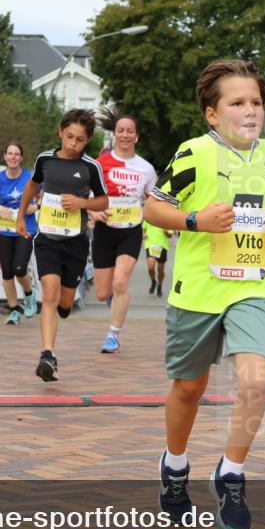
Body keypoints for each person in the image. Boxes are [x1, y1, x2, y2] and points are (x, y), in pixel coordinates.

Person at [143, 59, 265, 529]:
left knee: (257, 378)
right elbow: (153, 206)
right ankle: (175, 466)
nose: (250, 111)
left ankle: (231, 473)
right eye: (237, 103)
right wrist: (194, 221)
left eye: (256, 103)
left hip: (251, 286)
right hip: (198, 289)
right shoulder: (193, 153)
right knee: (190, 387)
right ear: (212, 114)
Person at [17, 110, 108, 381]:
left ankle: (64, 308)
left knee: (64, 302)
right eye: (69, 137)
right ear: (60, 132)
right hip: (47, 238)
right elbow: (31, 187)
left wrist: (82, 203)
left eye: (80, 140)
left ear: (87, 140)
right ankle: (47, 354)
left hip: (76, 242)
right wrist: (21, 216)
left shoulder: (91, 167)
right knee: (50, 291)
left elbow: (103, 202)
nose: (73, 144)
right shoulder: (44, 159)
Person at [90, 107, 159, 353]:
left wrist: (153, 223)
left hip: (131, 230)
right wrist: (92, 211)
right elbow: (87, 197)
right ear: (114, 134)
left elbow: (154, 200)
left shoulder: (146, 169)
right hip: (104, 230)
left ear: (136, 136)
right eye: (121, 131)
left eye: (130, 131)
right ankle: (115, 303)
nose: (126, 135)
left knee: (121, 283)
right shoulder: (101, 164)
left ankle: (113, 335)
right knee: (102, 292)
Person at [0, 144, 39, 325]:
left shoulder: (30, 177)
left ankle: (29, 294)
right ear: (5, 157)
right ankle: (14, 310)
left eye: (17, 154)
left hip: (25, 228)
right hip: (5, 229)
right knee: (7, 273)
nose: (13, 157)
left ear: (21, 158)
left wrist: (33, 207)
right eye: (10, 154)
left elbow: (42, 199)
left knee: (19, 269)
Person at [144, 222, 173, 296]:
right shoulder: (150, 217)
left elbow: (170, 235)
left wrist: (165, 231)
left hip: (162, 246)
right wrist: (144, 234)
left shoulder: (166, 220)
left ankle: (159, 285)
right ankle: (153, 281)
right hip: (150, 245)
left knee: (160, 270)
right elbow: (144, 228)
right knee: (151, 267)